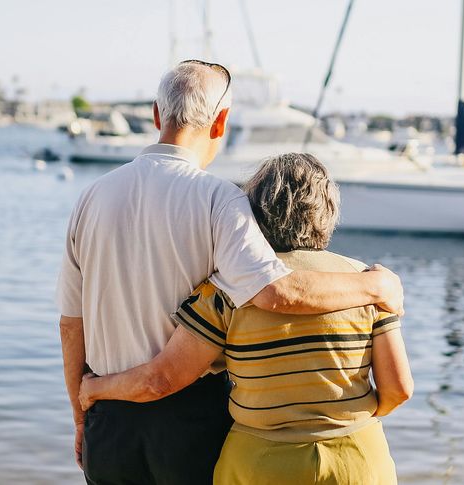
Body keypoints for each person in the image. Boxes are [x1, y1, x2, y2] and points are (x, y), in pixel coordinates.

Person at [56, 61, 405, 485]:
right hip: (191, 422)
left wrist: (81, 415)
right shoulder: (218, 199)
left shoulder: (91, 197)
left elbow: (71, 326)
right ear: (220, 122)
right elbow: (276, 292)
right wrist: (375, 284)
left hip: (107, 419)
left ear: (155, 115)